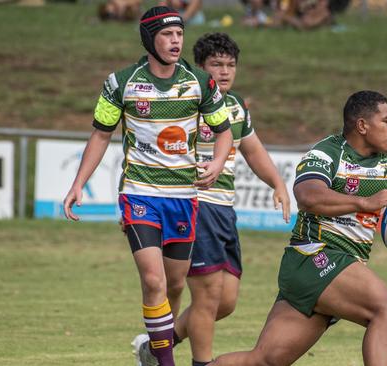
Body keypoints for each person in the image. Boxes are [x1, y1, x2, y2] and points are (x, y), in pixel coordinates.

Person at [208, 90, 387, 366]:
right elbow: (307, 196)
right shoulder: (327, 153)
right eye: (386, 120)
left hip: (342, 267)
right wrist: (363, 202)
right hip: (315, 255)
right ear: (362, 126)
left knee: (263, 360)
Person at [62, 7, 232, 366]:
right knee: (153, 281)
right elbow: (100, 134)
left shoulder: (200, 82)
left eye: (179, 35)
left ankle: (152, 349)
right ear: (149, 38)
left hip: (184, 198)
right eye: (168, 35)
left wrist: (217, 162)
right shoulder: (121, 83)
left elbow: (224, 131)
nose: (175, 41)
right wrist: (78, 184)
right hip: (140, 194)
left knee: (173, 285)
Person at [131, 32, 292, 366]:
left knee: (226, 302)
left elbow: (253, 150)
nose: (224, 71)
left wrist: (277, 182)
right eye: (216, 64)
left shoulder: (234, 108)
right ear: (201, 68)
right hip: (193, 205)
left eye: (230, 65)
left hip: (223, 211)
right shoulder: (186, 100)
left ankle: (159, 344)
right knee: (206, 296)